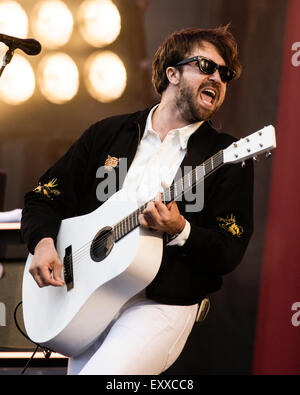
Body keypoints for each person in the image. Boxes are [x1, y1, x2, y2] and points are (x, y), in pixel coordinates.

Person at [21, 25, 253, 375]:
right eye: (207, 67)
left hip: (161, 304)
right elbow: (44, 195)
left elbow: (230, 247)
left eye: (226, 74)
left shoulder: (226, 155)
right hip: (85, 298)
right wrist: (42, 243)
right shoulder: (107, 133)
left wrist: (181, 229)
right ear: (172, 73)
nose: (219, 78)